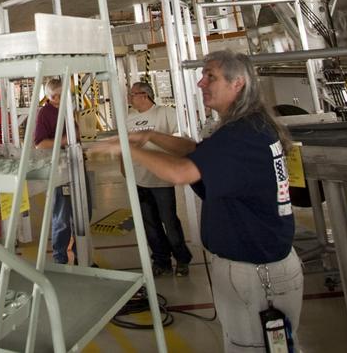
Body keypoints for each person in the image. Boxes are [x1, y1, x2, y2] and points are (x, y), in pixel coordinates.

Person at [93, 51, 302, 351]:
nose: (201, 82)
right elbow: (196, 150)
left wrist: (125, 148)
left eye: (211, 76)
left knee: (251, 347)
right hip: (261, 265)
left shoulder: (240, 135)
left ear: (238, 83)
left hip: (255, 274)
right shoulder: (250, 126)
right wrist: (149, 136)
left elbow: (180, 172)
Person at [126, 81, 193, 276]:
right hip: (140, 177)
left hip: (161, 179)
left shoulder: (165, 113)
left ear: (144, 96)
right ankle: (161, 260)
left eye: (133, 94)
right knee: (150, 224)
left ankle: (182, 259)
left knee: (169, 221)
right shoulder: (128, 118)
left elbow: (181, 139)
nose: (130, 98)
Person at [34, 77, 74, 264]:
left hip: (76, 164)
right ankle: (60, 257)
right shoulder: (45, 114)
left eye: (61, 95)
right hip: (59, 168)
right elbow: (40, 144)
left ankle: (81, 253)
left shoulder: (69, 109)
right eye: (54, 96)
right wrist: (66, 140)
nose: (58, 99)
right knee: (62, 214)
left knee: (84, 212)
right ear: (49, 96)